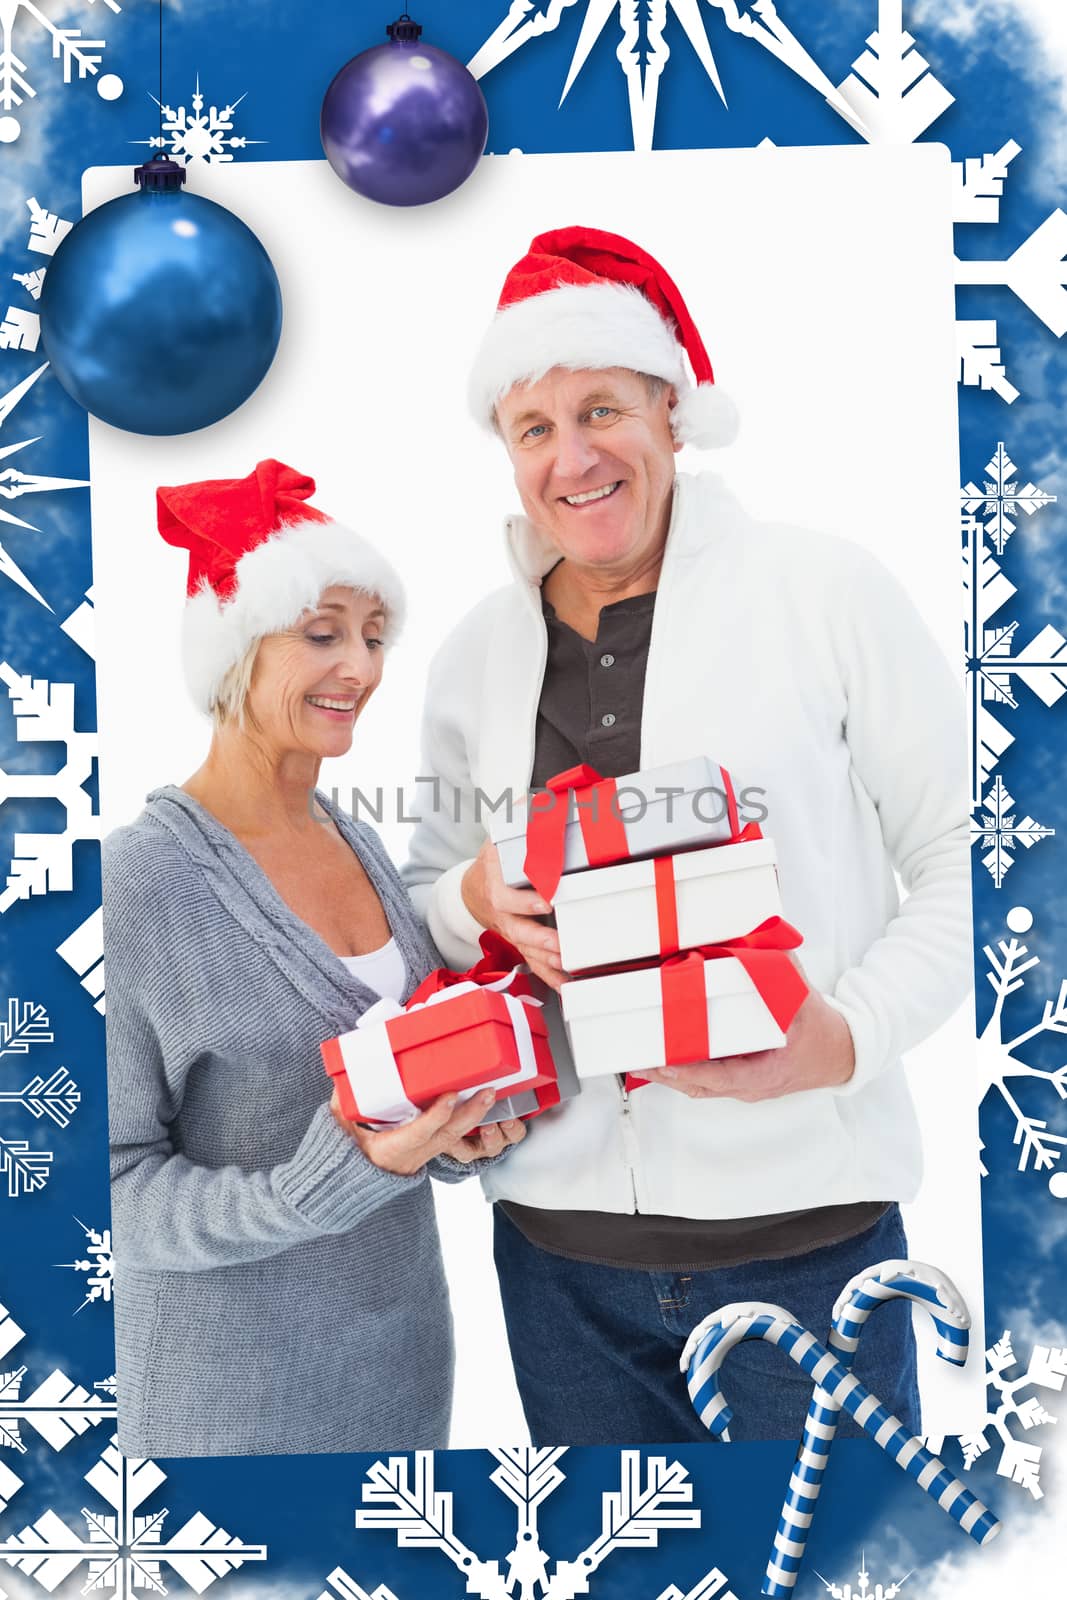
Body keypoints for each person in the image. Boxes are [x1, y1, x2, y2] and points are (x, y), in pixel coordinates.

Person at [403, 228, 973, 1446]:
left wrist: (843, 1037)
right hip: (558, 1271)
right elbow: (421, 900)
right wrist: (472, 898)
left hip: (807, 1252)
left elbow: (971, 861)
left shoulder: (822, 593)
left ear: (670, 409)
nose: (573, 456)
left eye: (601, 407)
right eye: (534, 427)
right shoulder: (470, 657)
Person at [103, 458, 524, 1457]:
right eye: (322, 632)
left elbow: (390, 1095)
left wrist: (459, 1127)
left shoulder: (359, 843)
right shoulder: (134, 885)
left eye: (374, 637)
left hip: (402, 1385)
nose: (362, 668)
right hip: (226, 1418)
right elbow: (103, 1195)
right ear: (233, 644)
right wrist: (311, 1188)